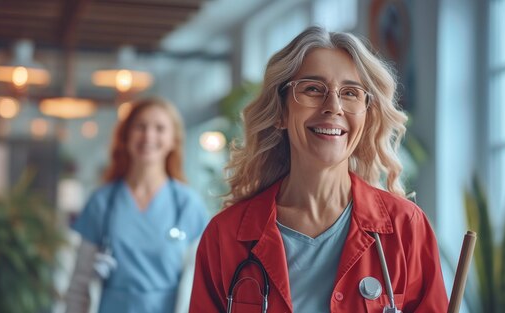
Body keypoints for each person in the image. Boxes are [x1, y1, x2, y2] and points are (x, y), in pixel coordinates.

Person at [189, 26, 448, 313]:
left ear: (366, 116)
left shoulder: (406, 228)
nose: (333, 106)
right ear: (281, 112)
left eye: (350, 93)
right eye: (313, 89)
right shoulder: (224, 237)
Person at [65, 96, 209, 313]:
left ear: (173, 140)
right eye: (140, 127)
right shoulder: (102, 201)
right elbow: (80, 283)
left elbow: (201, 284)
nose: (148, 136)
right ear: (125, 136)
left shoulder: (187, 204)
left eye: (159, 128)